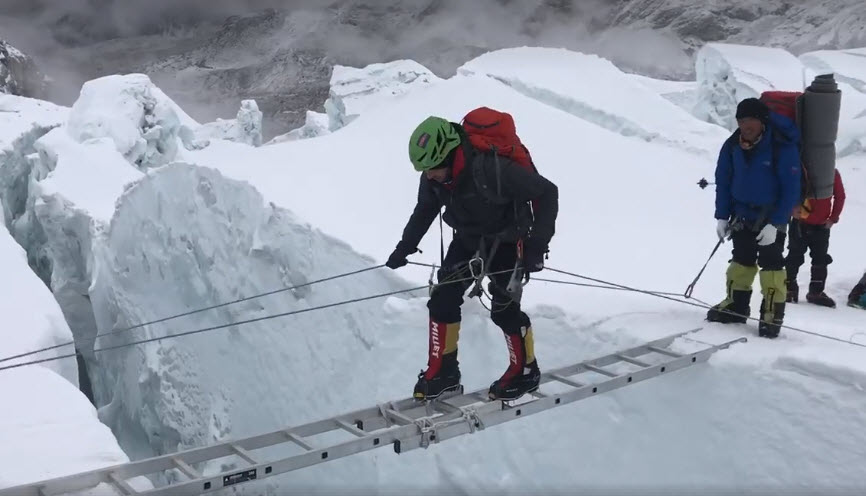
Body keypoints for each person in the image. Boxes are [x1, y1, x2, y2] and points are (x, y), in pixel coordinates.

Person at [386, 112, 558, 401]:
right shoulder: (433, 175)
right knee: (442, 299)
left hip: (505, 239)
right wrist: (405, 246)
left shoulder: (492, 168)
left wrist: (536, 245)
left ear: (449, 154)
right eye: (424, 170)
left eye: (433, 168)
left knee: (504, 310)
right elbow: (425, 210)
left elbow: (546, 192)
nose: (428, 176)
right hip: (468, 237)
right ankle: (444, 374)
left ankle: (526, 372)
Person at [707, 98, 801, 338]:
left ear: (762, 121)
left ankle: (772, 314)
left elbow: (791, 189)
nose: (745, 125)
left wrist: (776, 222)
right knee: (741, 261)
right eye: (741, 120)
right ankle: (736, 305)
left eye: (750, 120)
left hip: (771, 217)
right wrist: (722, 216)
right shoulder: (732, 145)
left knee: (772, 266)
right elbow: (724, 181)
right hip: (741, 214)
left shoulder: (781, 145)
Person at [785, 169, 846, 307]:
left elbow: (840, 196)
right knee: (797, 256)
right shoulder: (804, 170)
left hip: (819, 224)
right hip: (804, 222)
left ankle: (809, 291)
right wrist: (790, 209)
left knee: (817, 257)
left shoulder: (831, 173)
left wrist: (833, 218)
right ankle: (792, 288)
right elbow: (788, 189)